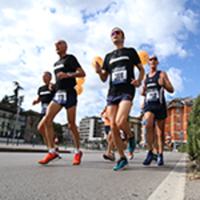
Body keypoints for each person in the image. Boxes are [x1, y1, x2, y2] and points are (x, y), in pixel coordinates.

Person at [94, 27, 145, 171]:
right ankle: (122, 158)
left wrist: (139, 80)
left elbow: (141, 69)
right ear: (111, 38)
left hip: (127, 90)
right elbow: (104, 78)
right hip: (112, 93)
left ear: (123, 37)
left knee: (120, 121)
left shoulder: (130, 52)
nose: (115, 35)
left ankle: (130, 134)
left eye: (118, 33)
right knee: (113, 127)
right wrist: (99, 72)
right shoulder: (108, 56)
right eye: (112, 33)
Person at [38, 40, 86, 165]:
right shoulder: (55, 64)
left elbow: (82, 73)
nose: (56, 46)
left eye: (59, 44)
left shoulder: (70, 58)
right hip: (58, 94)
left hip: (70, 93)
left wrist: (68, 74)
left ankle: (77, 151)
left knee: (71, 124)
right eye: (55, 45)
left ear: (66, 46)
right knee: (47, 121)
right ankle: (52, 151)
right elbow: (59, 78)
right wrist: (54, 85)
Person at [141, 55, 174, 166]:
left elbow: (171, 89)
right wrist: (142, 92)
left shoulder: (162, 74)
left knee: (160, 133)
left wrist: (163, 84)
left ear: (158, 62)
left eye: (155, 59)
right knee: (148, 125)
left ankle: (160, 155)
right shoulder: (146, 77)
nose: (152, 61)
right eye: (150, 59)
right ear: (148, 63)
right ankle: (150, 152)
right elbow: (144, 90)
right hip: (149, 105)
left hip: (160, 105)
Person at [32, 71, 55, 147]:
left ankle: (51, 147)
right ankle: (51, 146)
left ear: (50, 77)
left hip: (51, 109)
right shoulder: (41, 88)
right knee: (42, 129)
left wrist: (52, 89)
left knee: (43, 126)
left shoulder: (52, 86)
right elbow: (39, 99)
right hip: (43, 110)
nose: (43, 77)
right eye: (43, 76)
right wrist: (36, 101)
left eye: (45, 76)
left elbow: (56, 97)